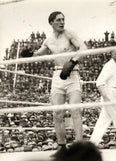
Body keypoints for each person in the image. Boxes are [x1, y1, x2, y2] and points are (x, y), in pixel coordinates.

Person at [21, 11, 87, 157]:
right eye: (58, 20)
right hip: (57, 75)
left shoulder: (69, 34)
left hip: (73, 73)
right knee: (57, 113)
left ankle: (80, 146)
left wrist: (72, 61)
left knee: (75, 111)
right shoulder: (48, 40)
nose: (62, 22)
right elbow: (39, 54)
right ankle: (62, 147)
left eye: (63, 19)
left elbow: (84, 48)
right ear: (51, 22)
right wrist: (29, 54)